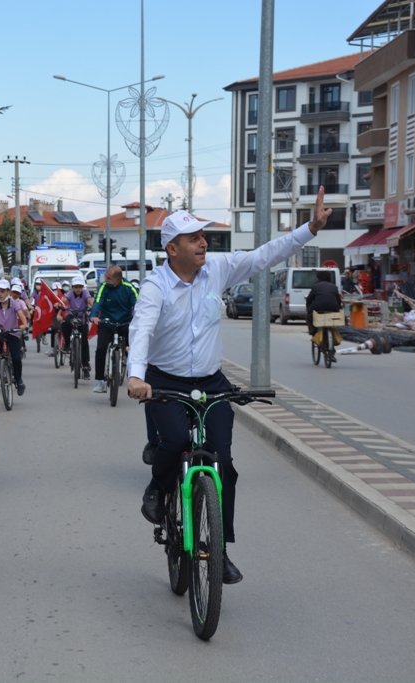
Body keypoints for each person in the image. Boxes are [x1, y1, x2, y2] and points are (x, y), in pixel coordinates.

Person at [127, 189, 332, 584]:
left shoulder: (217, 269)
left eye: (203, 236)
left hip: (210, 380)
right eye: (193, 238)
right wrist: (137, 376)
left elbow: (264, 256)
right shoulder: (156, 286)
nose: (203, 243)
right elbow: (142, 330)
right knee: (173, 441)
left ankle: (219, 551)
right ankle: (157, 487)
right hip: (165, 379)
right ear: (172, 248)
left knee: (224, 465)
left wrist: (311, 228)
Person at [90, 265, 139, 393]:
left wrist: (140, 319)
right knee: (101, 349)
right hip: (107, 322)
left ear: (118, 279)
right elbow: (98, 301)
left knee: (131, 349)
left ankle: (132, 376)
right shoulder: (104, 287)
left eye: (109, 278)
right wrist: (94, 315)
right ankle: (100, 381)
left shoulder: (129, 287)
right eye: (106, 277)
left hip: (124, 323)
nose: (106, 280)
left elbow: (138, 304)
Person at [0, 278, 28, 395]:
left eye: (3, 291)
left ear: (8, 292)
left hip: (12, 333)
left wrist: (24, 325)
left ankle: (19, 380)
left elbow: (21, 315)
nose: (0, 294)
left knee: (16, 357)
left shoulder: (14, 304)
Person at [58, 275, 93, 380]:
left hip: (83, 316)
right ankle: (67, 344)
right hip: (72, 314)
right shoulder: (70, 293)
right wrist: (60, 305)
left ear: (83, 287)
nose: (78, 289)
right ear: (72, 287)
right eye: (76, 287)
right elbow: (64, 300)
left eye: (80, 287)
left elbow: (89, 300)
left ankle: (85, 367)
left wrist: (92, 306)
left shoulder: (85, 293)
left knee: (84, 341)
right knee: (65, 324)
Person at [305, 270, 342, 338]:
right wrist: (339, 308)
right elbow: (338, 300)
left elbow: (309, 299)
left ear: (318, 278)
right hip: (333, 309)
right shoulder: (334, 287)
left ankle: (313, 332)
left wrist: (308, 307)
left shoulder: (315, 286)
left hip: (317, 309)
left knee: (308, 317)